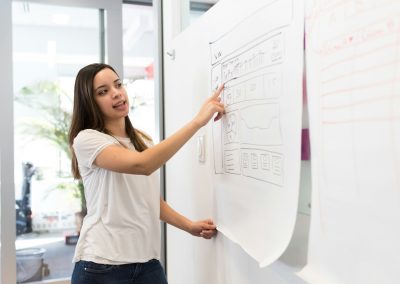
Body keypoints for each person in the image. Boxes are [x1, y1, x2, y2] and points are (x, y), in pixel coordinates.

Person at [68, 63, 225, 284]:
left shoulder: (142, 142)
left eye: (118, 85)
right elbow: (143, 165)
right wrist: (198, 122)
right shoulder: (87, 140)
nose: (116, 94)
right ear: (90, 102)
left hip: (147, 263)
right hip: (101, 265)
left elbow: (149, 200)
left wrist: (189, 226)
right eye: (103, 92)